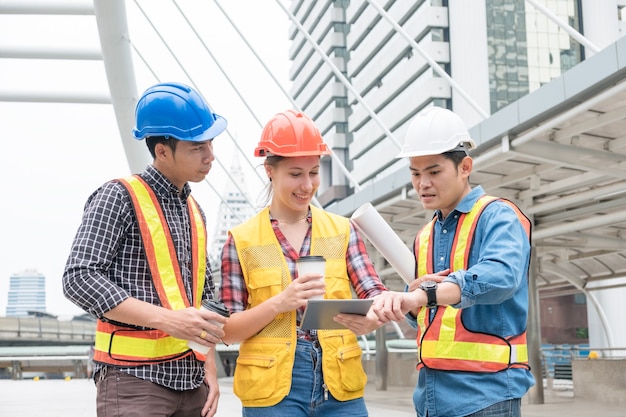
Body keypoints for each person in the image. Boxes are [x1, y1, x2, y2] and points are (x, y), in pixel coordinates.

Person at [63, 82, 229, 417]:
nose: (211, 156)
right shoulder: (118, 197)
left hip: (192, 382)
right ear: (162, 151)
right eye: (197, 146)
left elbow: (205, 300)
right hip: (133, 380)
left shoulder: (196, 211)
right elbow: (78, 277)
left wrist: (209, 367)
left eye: (211, 142)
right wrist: (168, 320)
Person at [219, 110, 387, 416]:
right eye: (295, 174)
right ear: (270, 170)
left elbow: (374, 294)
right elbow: (228, 331)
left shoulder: (343, 230)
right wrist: (280, 303)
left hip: (340, 384)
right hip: (272, 389)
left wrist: (372, 318)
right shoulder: (241, 240)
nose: (307, 185)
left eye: (314, 172)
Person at [371, 107, 535, 417]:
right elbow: (425, 317)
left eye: (434, 172)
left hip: (488, 396)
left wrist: (427, 293)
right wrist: (409, 305)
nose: (423, 183)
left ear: (465, 167)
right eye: (415, 173)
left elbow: (500, 277)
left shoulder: (498, 216)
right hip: (430, 397)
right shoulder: (424, 236)